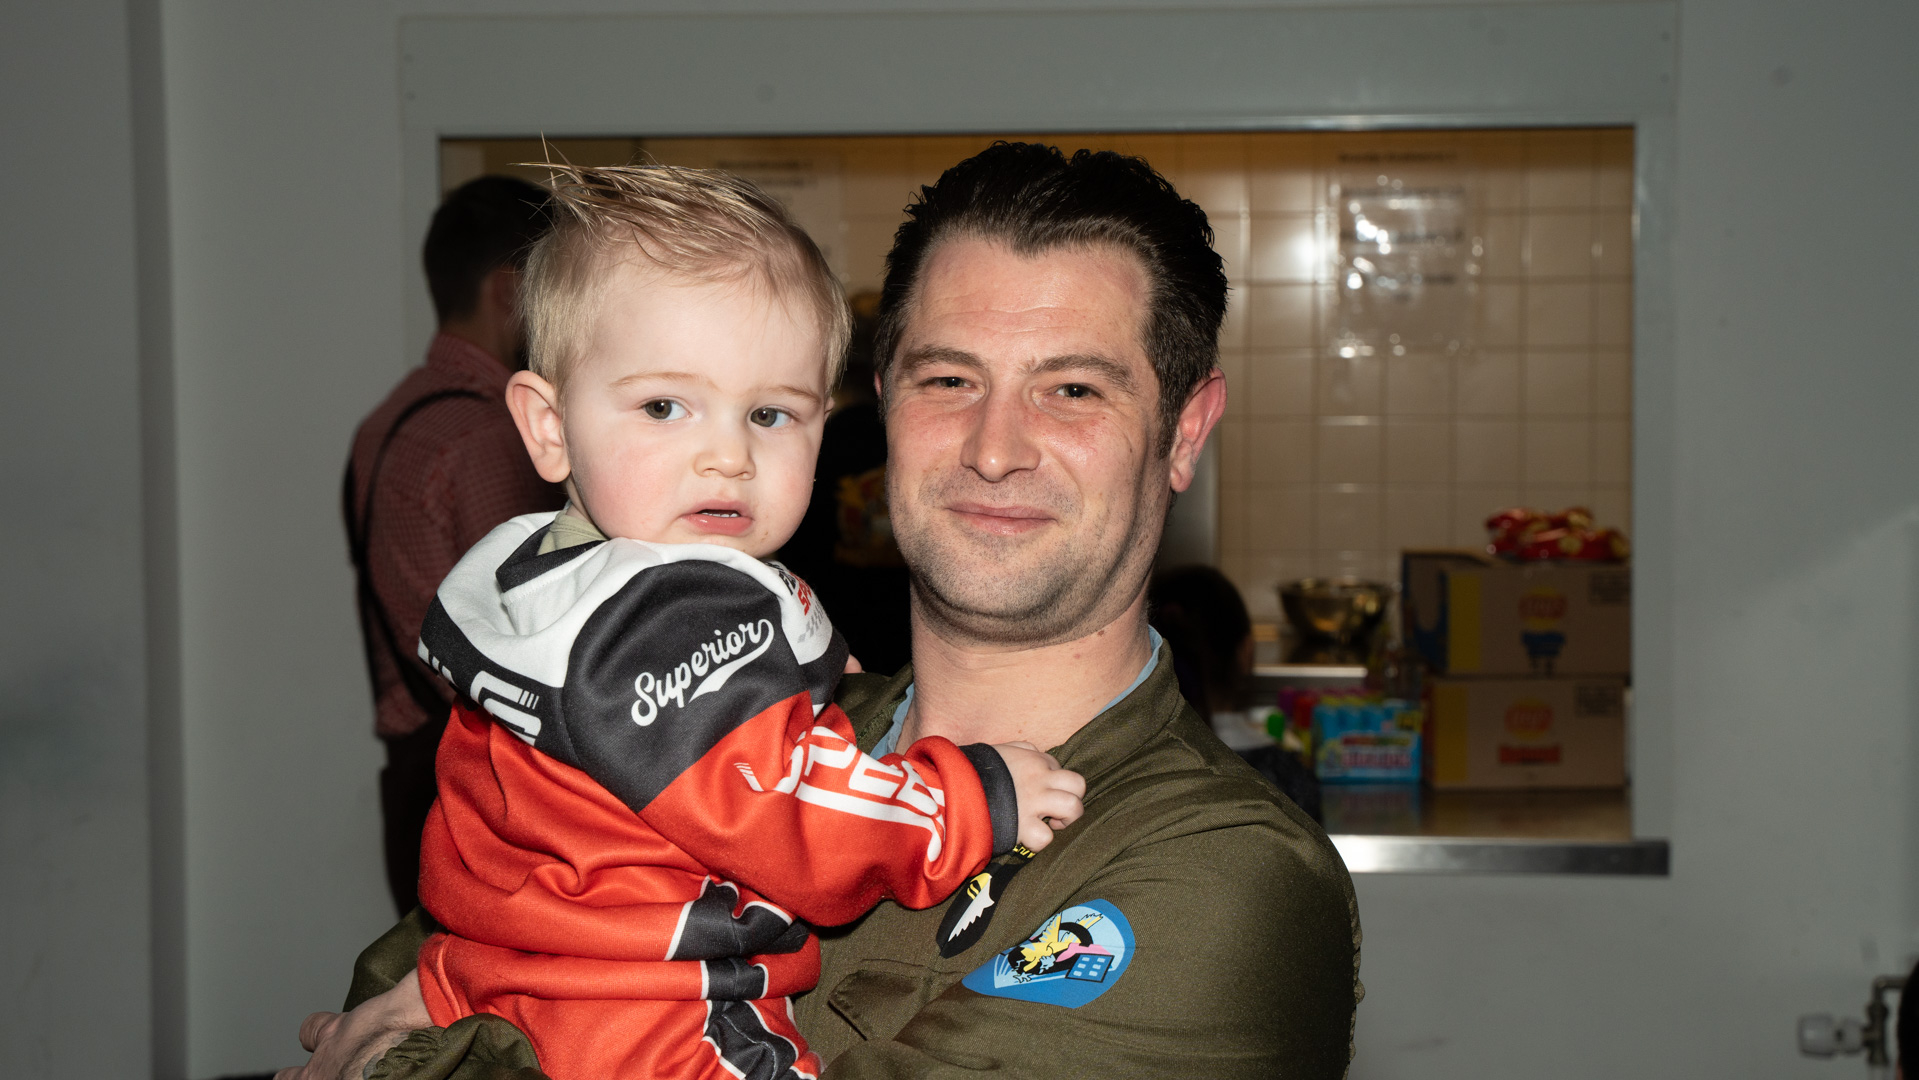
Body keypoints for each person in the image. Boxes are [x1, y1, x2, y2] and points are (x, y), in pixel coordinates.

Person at [283, 143, 1360, 1080]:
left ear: (1184, 431)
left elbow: (396, 1020)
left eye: (1072, 389)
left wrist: (406, 1055)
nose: (994, 448)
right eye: (947, 380)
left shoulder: (1224, 879)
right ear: (879, 410)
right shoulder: (706, 699)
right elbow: (416, 949)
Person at [370, 162, 1086, 1080]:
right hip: (660, 1011)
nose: (727, 456)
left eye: (770, 414)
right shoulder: (667, 616)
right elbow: (789, 810)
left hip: (519, 978)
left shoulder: (544, 582)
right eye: (664, 407)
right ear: (547, 427)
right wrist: (972, 798)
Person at [345, 176, 565, 916]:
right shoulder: (490, 436)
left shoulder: (390, 417)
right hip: (489, 789)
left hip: (415, 769)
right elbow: (536, 630)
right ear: (508, 290)